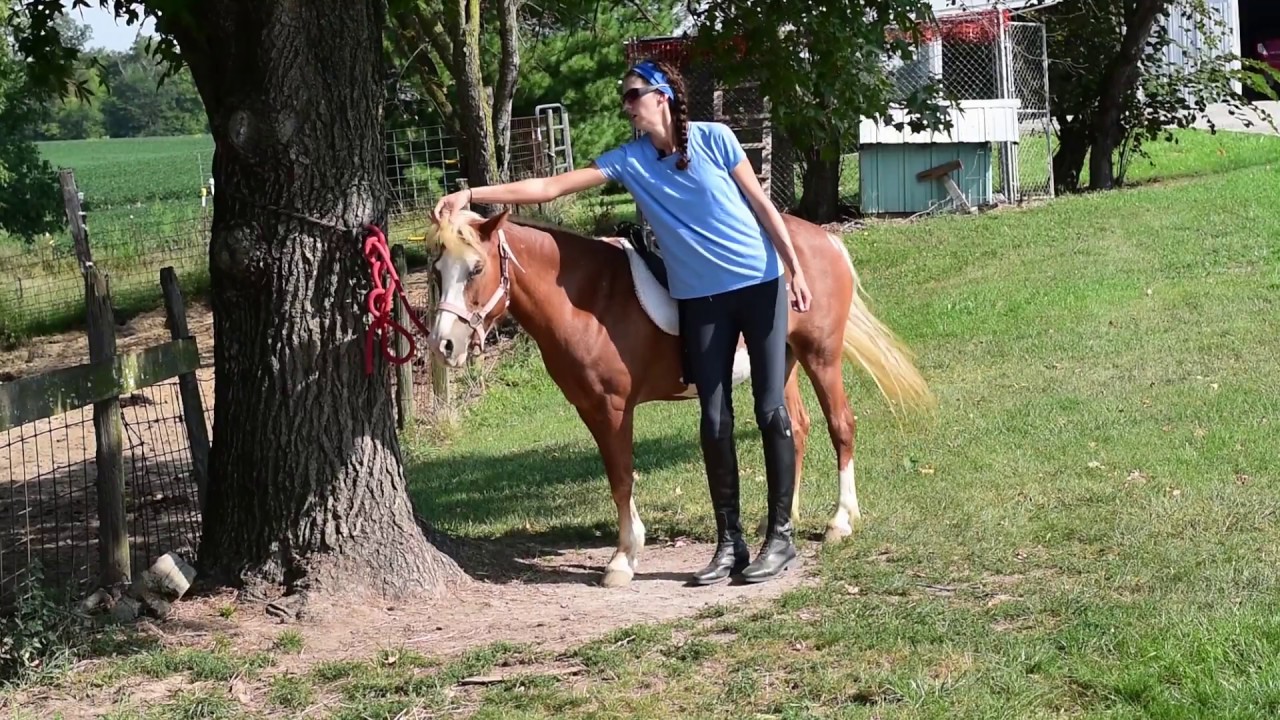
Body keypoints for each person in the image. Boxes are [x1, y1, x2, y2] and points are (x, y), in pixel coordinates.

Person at [433, 58, 812, 585]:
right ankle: (730, 544)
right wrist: (473, 196)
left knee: (770, 408)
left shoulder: (716, 138)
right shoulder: (631, 160)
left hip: (757, 282)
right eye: (624, 98)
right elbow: (549, 187)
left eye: (634, 95)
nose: (627, 106)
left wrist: (793, 265)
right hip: (700, 298)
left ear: (663, 96)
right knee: (714, 418)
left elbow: (761, 204)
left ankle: (781, 538)